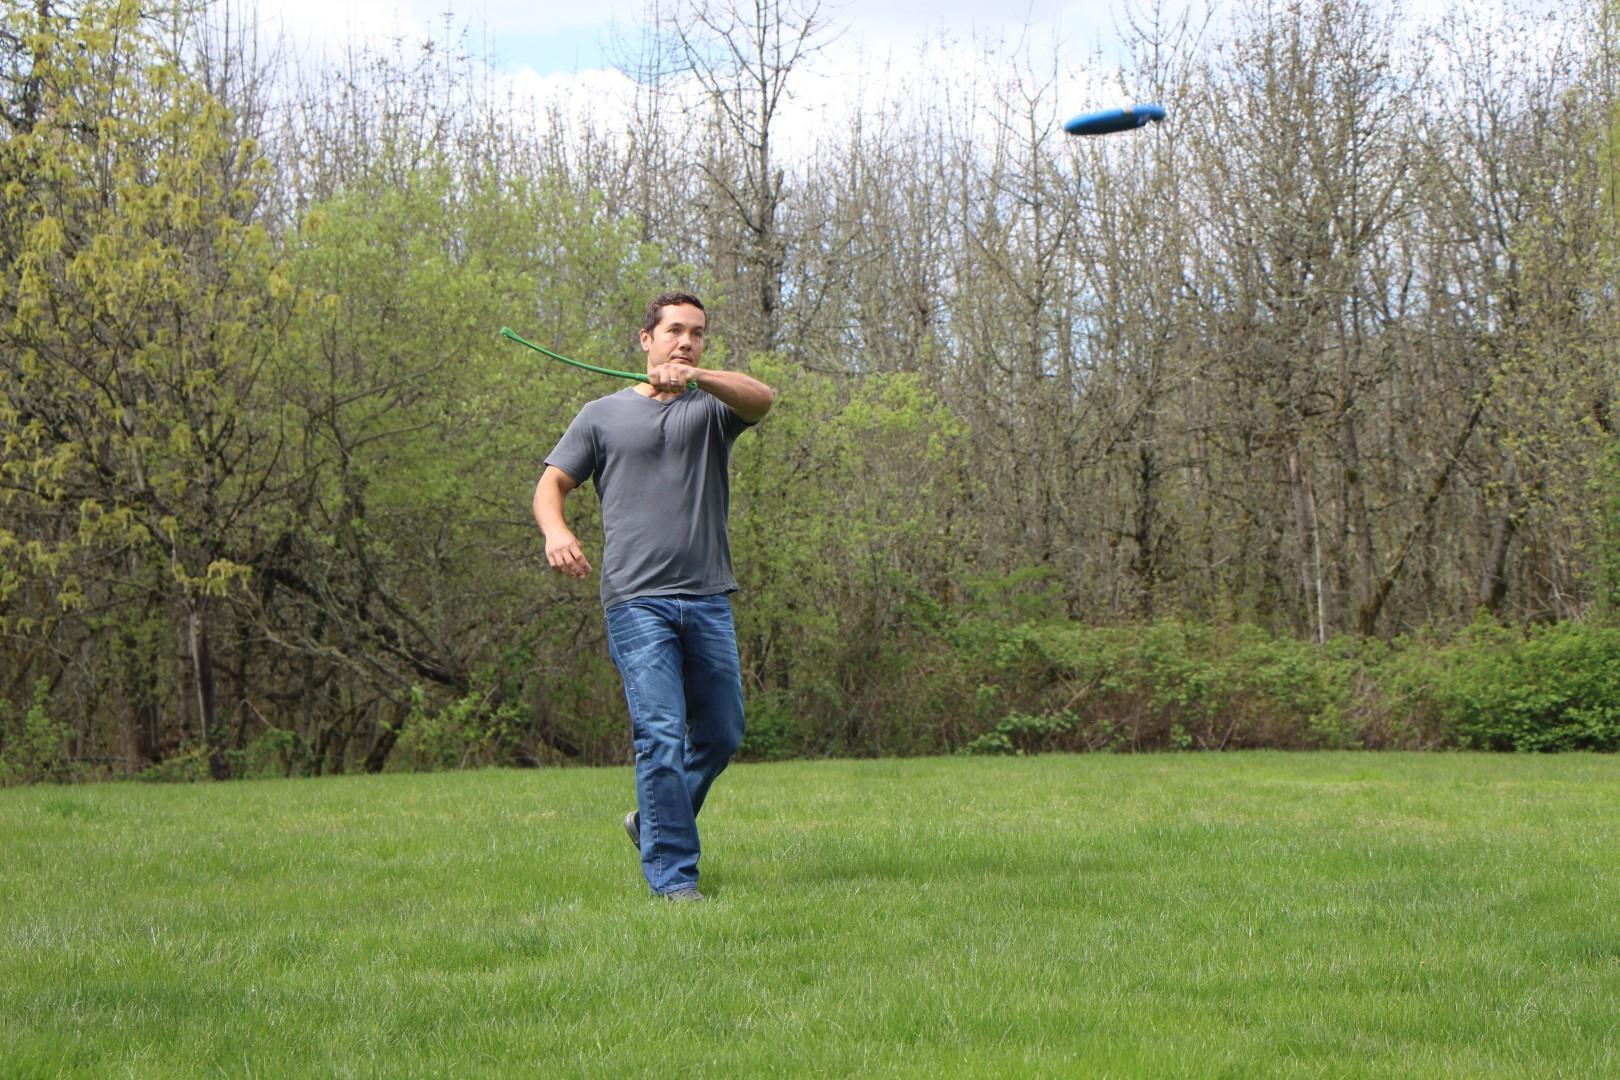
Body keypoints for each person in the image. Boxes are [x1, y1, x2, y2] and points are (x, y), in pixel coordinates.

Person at [533, 292, 774, 901]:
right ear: (646, 339)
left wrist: (699, 379)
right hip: (637, 601)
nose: (685, 341)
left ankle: (654, 822)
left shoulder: (711, 412)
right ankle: (673, 880)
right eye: (673, 331)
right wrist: (557, 531)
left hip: (709, 597)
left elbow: (762, 398)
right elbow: (550, 485)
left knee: (721, 734)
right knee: (661, 733)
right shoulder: (601, 415)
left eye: (696, 333)